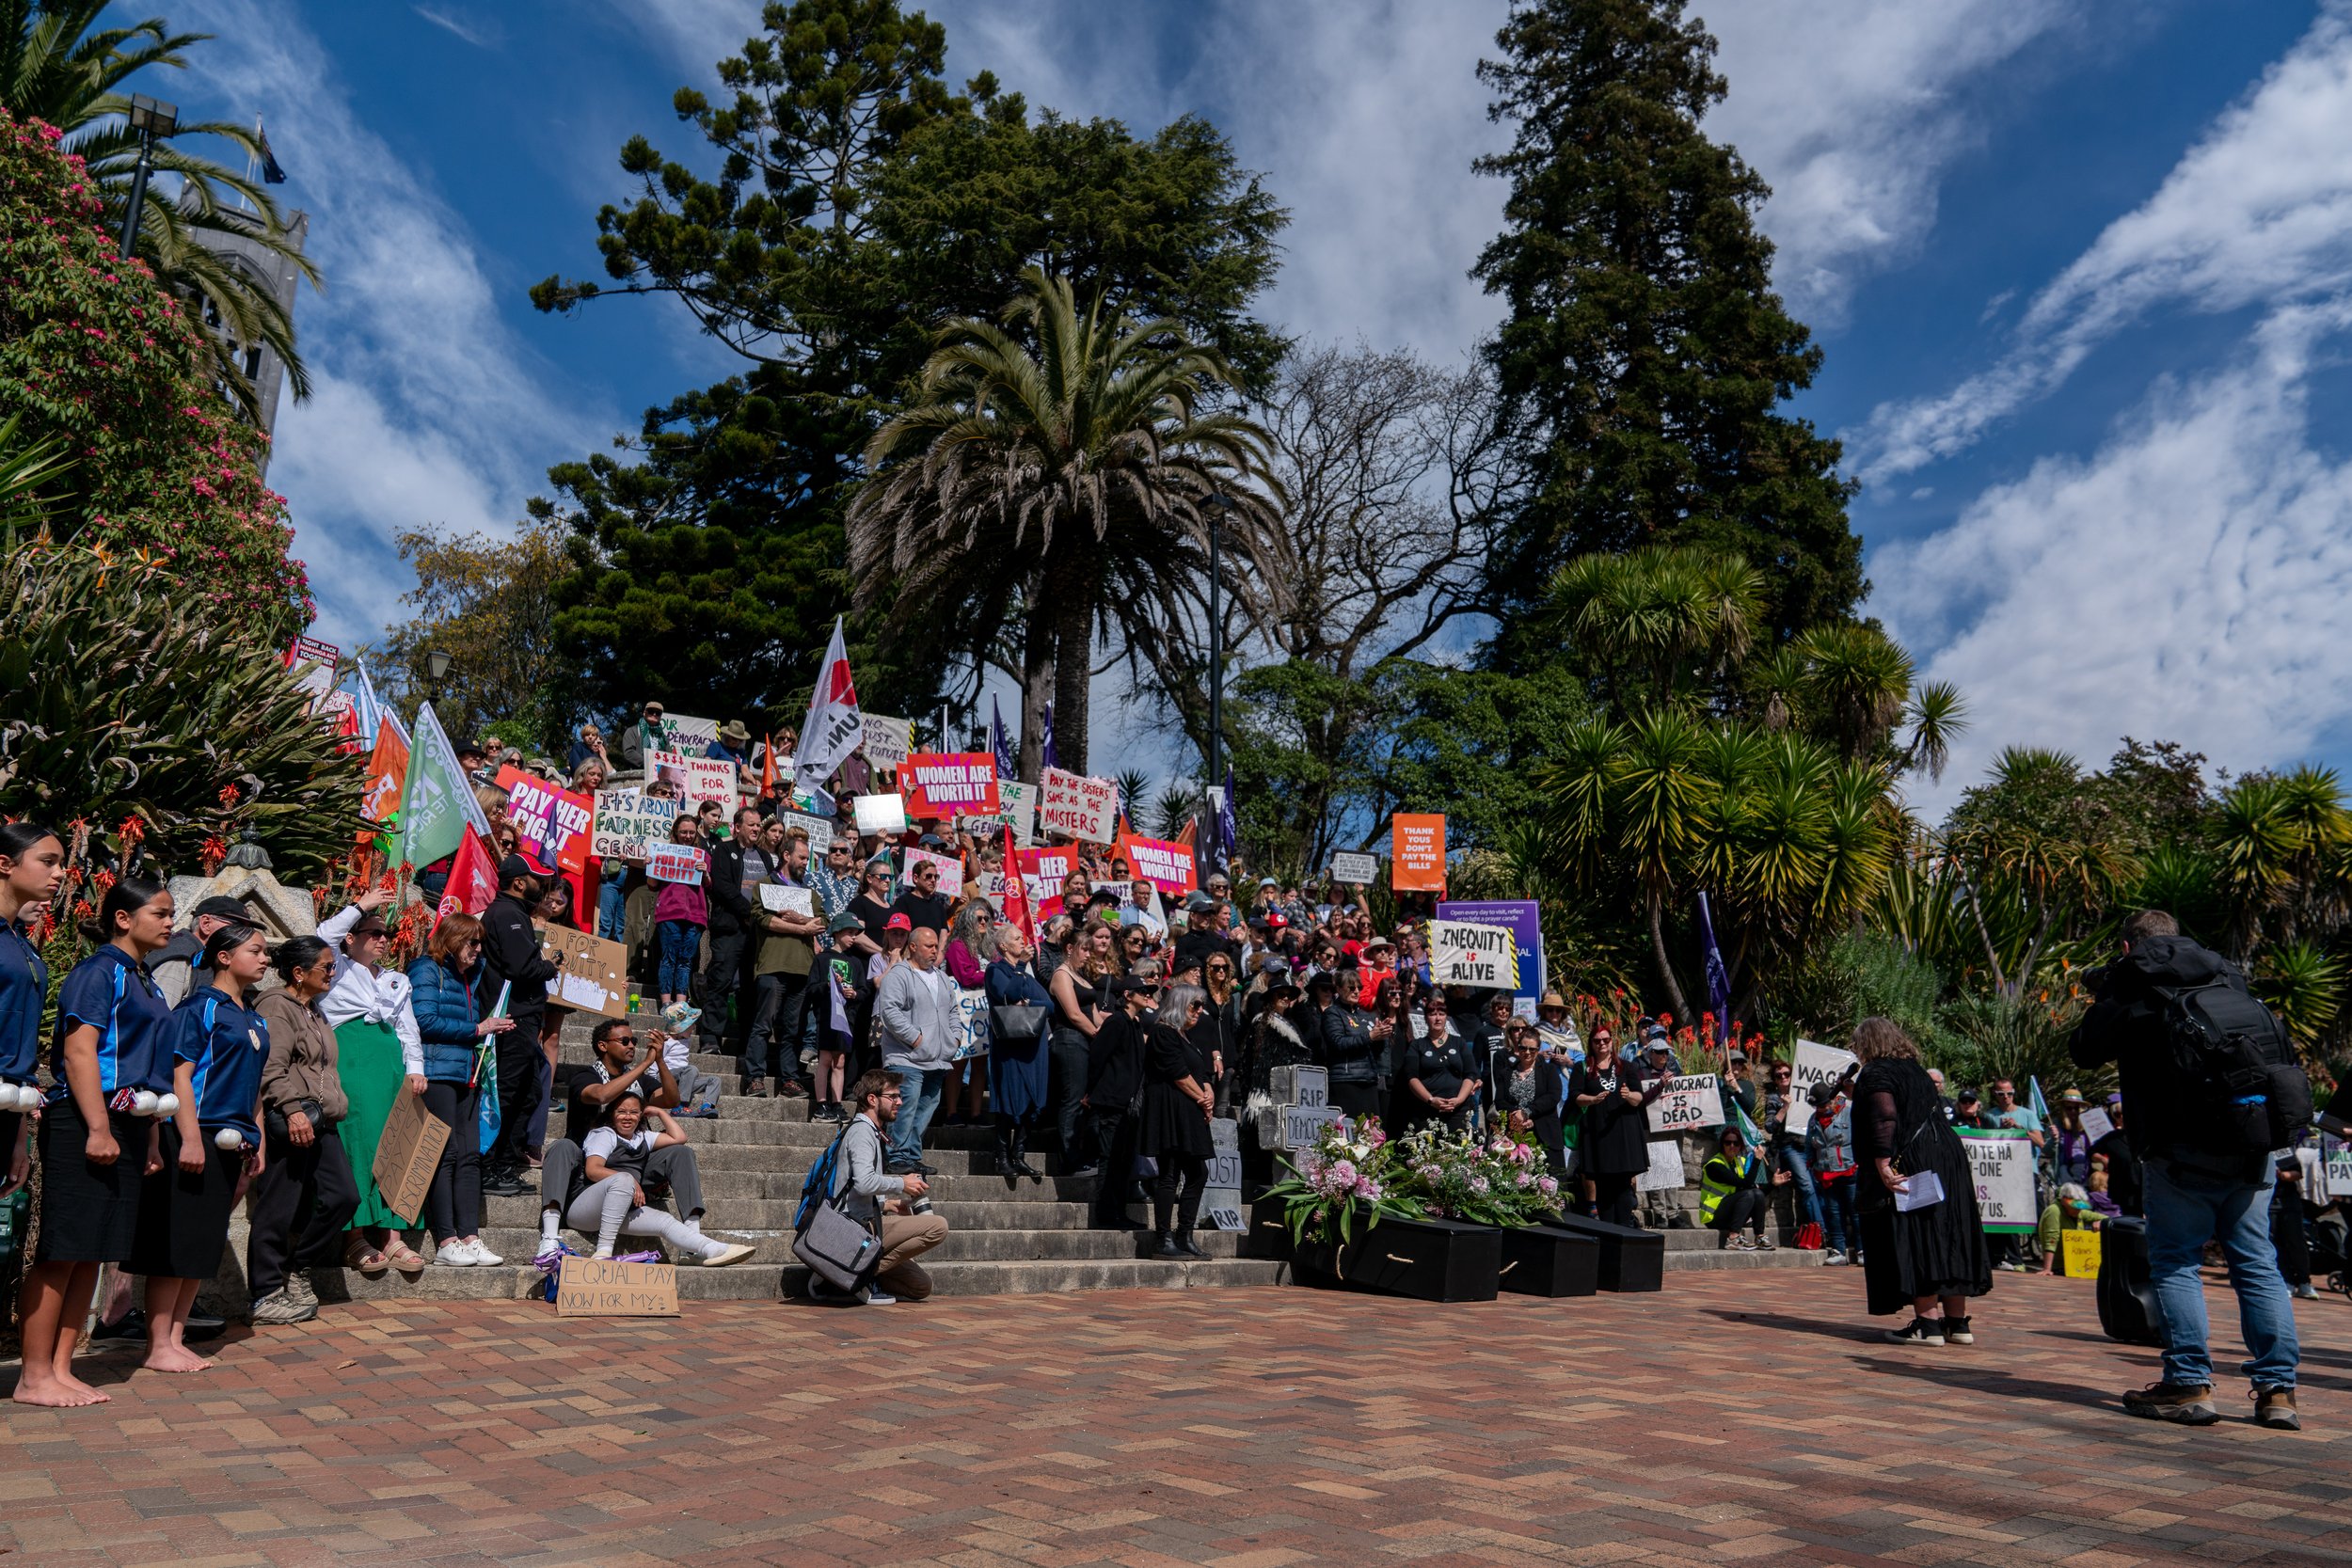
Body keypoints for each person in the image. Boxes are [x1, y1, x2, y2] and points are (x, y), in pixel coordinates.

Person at [2069, 909, 2302, 1430]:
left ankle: (2189, 1384)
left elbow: (2083, 1050)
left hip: (2178, 1148)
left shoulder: (2132, 985)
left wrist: (2107, 992)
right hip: (2251, 1141)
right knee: (2257, 1264)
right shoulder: (2227, 972)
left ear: (2128, 947)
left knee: (2176, 1262)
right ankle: (2278, 1392)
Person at [17, 872, 170, 1407]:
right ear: (123, 919)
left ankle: (62, 1367)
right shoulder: (98, 972)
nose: (171, 922)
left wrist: (147, 1139)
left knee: (92, 1252)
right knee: (62, 1251)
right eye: (161, 913)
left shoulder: (144, 977)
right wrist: (99, 1127)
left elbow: (146, 1065)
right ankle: (33, 1374)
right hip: (84, 1121)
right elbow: (81, 1052)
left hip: (128, 1123)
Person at [134, 922, 273, 1373]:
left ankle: (175, 1336)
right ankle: (158, 1343)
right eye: (255, 950)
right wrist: (190, 1138)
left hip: (235, 1144)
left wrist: (259, 1140)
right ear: (225, 957)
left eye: (266, 951)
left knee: (202, 1243)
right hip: (195, 1137)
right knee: (178, 1243)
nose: (265, 958)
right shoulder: (200, 1008)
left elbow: (255, 1088)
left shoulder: (253, 1015)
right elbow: (180, 1076)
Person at [1852, 1017, 1991, 1347]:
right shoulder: (1916, 1069)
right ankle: (1957, 1324)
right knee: (1950, 1231)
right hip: (1947, 1155)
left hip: (1914, 1158)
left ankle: (1927, 1326)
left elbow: (1885, 1117)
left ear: (1867, 1043)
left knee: (1918, 1233)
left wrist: (1883, 1164)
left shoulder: (1875, 1072)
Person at [315, 893, 429, 1276]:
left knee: (396, 1140)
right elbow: (322, 935)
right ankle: (355, 1237)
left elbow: (408, 1027)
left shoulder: (398, 979)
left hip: (389, 1065)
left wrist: (416, 1067)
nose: (384, 939)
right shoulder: (338, 968)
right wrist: (360, 906)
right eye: (373, 932)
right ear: (352, 936)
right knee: (358, 1145)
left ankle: (394, 1237)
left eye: (387, 933)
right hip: (350, 1060)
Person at [248, 936, 360, 1324]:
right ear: (298, 973)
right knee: (277, 1206)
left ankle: (298, 1267)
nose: (332, 972)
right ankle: (264, 1294)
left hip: (322, 1123)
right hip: (292, 1121)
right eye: (326, 967)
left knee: (344, 1196)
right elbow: (270, 1067)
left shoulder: (315, 1010)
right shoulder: (278, 1007)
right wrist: (293, 1110)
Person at [406, 913, 516, 1267]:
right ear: (452, 940)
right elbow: (423, 1020)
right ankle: (446, 1239)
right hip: (437, 1072)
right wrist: (478, 1027)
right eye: (472, 942)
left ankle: (470, 1237)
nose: (478, 950)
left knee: (470, 1156)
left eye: (480, 943)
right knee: (446, 1154)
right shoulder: (427, 969)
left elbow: (494, 961)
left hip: (466, 1074)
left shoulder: (469, 972)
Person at [558, 1091, 754, 1265]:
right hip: (583, 1209)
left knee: (664, 1221)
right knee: (623, 1180)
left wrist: (661, 1113)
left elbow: (679, 1138)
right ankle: (603, 1253)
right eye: (622, 1112)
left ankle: (711, 1249)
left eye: (634, 1112)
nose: (628, 1117)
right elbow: (593, 1170)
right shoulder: (604, 1134)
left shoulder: (641, 1137)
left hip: (619, 1210)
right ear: (611, 1114)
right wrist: (632, 1181)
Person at [819, 1069, 949, 1304]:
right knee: (938, 1226)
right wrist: (902, 1183)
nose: (900, 1102)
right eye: (894, 1096)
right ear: (872, 1099)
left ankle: (853, 1273)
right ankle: (850, 1273)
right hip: (852, 1228)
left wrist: (890, 1203)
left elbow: (856, 1188)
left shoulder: (871, 1132)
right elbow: (864, 1181)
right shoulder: (861, 1132)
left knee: (921, 1286)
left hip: (866, 1221)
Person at [480, 856, 559, 1197]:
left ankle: (505, 1164)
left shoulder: (514, 914)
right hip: (511, 1018)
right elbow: (521, 967)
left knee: (529, 1092)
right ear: (518, 883)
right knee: (509, 1093)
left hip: (522, 1017)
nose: (542, 886)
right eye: (536, 879)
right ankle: (488, 1167)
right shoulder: (507, 914)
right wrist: (551, 967)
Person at [0, 825, 63, 1203]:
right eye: (48, 862)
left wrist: (19, 1134)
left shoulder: (20, 943)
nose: (60, 874)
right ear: (5, 864)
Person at [744, 827, 823, 1102]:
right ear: (786, 855)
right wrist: (804, 927)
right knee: (763, 1025)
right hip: (771, 967)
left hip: (802, 970)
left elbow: (821, 922)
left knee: (793, 1029)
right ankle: (755, 1077)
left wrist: (798, 920)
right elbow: (763, 919)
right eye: (802, 857)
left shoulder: (810, 893)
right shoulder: (766, 885)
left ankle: (789, 1078)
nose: (805, 863)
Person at [1139, 981, 1216, 1258]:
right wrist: (1202, 1098)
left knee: (1198, 1173)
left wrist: (1208, 1091)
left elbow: (1200, 1072)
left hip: (1188, 1112)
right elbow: (1179, 1074)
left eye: (1201, 1006)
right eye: (1194, 1005)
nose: (1199, 1010)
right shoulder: (1163, 1032)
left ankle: (1184, 1234)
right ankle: (1163, 1239)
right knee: (1169, 1173)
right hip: (1169, 1110)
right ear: (1179, 1004)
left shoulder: (1186, 1036)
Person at [875, 926, 957, 1176]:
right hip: (906, 1057)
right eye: (929, 946)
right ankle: (897, 1155)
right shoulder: (899, 974)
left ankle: (910, 1154)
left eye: (936, 947)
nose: (935, 951)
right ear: (912, 947)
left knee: (926, 1108)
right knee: (905, 1107)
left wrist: (954, 1038)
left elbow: (953, 1011)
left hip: (938, 1058)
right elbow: (889, 1011)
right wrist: (916, 1039)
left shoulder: (941, 977)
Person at [1567, 1025, 1659, 1227]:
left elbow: (1638, 1098)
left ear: (1612, 1042)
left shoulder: (1626, 1067)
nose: (1602, 1044)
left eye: (1606, 1040)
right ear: (1591, 1044)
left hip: (1624, 1132)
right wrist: (1592, 1099)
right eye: (1597, 1041)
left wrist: (1628, 1096)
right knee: (1604, 1186)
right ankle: (1609, 1232)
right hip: (1597, 1132)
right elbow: (1575, 1096)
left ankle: (1625, 1229)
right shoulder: (1582, 1067)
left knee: (1624, 1186)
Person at [1087, 974, 1156, 1229]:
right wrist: (1091, 1091)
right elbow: (1097, 1056)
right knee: (1110, 1158)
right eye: (1142, 990)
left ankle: (1119, 1212)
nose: (1148, 994)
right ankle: (1106, 1214)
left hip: (1129, 1104)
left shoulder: (1136, 1024)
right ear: (1127, 995)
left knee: (1124, 1160)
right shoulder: (1116, 1022)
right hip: (1111, 1101)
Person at [984, 924, 1052, 1182]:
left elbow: (1050, 1006)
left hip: (1033, 1047)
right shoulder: (995, 970)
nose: (1022, 941)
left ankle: (1019, 1154)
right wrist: (1021, 968)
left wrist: (1027, 1003)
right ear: (1003, 946)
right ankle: (1002, 1158)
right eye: (1016, 938)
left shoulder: (1028, 977)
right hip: (1010, 1046)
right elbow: (1007, 994)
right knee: (1009, 1099)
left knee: (1033, 1100)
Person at [701, 805, 760, 1058]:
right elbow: (722, 886)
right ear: (737, 827)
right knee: (720, 983)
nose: (757, 829)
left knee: (750, 990)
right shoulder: (724, 851)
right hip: (730, 929)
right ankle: (710, 1039)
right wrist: (748, 911)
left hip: (756, 934)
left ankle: (746, 1042)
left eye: (759, 825)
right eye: (752, 825)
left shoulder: (766, 857)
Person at [144, 894, 252, 1007]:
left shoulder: (204, 956)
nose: (243, 935)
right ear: (206, 923)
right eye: (236, 926)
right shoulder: (179, 956)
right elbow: (159, 1015)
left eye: (247, 929)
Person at [1495, 1018, 1568, 1178]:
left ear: (1538, 1050)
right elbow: (1500, 1101)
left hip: (1545, 1133)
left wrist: (1528, 1112)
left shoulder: (1548, 1071)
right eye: (1523, 1048)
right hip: (1515, 1134)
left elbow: (1553, 1096)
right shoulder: (1506, 1073)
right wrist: (1517, 1115)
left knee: (1553, 1184)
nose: (1527, 1053)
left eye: (1532, 1049)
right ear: (1517, 1048)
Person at [648, 817, 707, 1015]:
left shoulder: (703, 856)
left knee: (685, 960)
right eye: (683, 832)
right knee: (669, 957)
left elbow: (709, 885)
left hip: (695, 914)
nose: (688, 836)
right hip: (669, 911)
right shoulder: (662, 853)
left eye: (691, 832)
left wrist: (705, 872)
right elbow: (652, 885)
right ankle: (666, 1003)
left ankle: (681, 1003)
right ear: (675, 833)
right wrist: (650, 865)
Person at [1398, 995, 1481, 1136]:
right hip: (1426, 1110)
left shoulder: (1459, 1042)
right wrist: (1431, 1100)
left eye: (1441, 1014)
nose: (1437, 1018)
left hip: (1458, 1110)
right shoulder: (1417, 1045)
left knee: (1459, 1152)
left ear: (1446, 1018)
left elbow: (1471, 1074)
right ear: (1425, 1018)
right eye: (1432, 1014)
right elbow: (1411, 1077)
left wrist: (1459, 1100)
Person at [1319, 976, 1388, 1119]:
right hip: (1345, 1081)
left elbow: (1375, 1052)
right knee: (1348, 1135)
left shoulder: (1366, 1016)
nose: (1357, 991)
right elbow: (1338, 1043)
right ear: (1338, 989)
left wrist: (1380, 1037)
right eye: (1351, 988)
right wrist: (1370, 1036)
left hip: (1368, 1080)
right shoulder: (1332, 1013)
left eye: (1359, 988)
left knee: (1371, 1135)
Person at [1807, 1081, 1860, 1264]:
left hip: (1849, 1170)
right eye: (1817, 1105)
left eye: (1823, 1104)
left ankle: (1861, 1250)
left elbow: (1860, 1138)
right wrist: (1811, 1164)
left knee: (1855, 1212)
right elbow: (1809, 1145)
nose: (1821, 1108)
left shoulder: (1848, 1113)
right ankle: (1838, 1251)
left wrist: (1860, 1161)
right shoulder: (1813, 1120)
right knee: (1834, 1212)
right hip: (1826, 1173)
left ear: (1831, 1100)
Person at [1699, 1127, 1774, 1251]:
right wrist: (1756, 1160)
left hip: (1732, 1214)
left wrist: (1773, 1184)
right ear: (1722, 1144)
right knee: (1748, 1194)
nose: (1731, 1146)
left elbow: (1755, 1191)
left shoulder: (1740, 1162)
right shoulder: (1714, 1165)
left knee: (1757, 1193)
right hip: (1713, 1216)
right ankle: (1733, 1238)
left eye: (1736, 1143)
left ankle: (1759, 1236)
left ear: (1740, 1146)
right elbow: (1746, 1184)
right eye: (1727, 1143)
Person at [890, 854, 952, 932]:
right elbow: (899, 933)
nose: (933, 880)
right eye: (929, 876)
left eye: (936, 877)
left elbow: (943, 934)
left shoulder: (939, 907)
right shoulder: (903, 902)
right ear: (916, 878)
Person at [619, 701, 669, 769]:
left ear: (660, 717)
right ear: (644, 713)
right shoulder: (633, 731)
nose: (654, 714)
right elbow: (628, 752)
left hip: (660, 775)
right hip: (639, 774)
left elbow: (669, 757)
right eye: (651, 711)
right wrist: (649, 763)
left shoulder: (664, 738)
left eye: (658, 713)